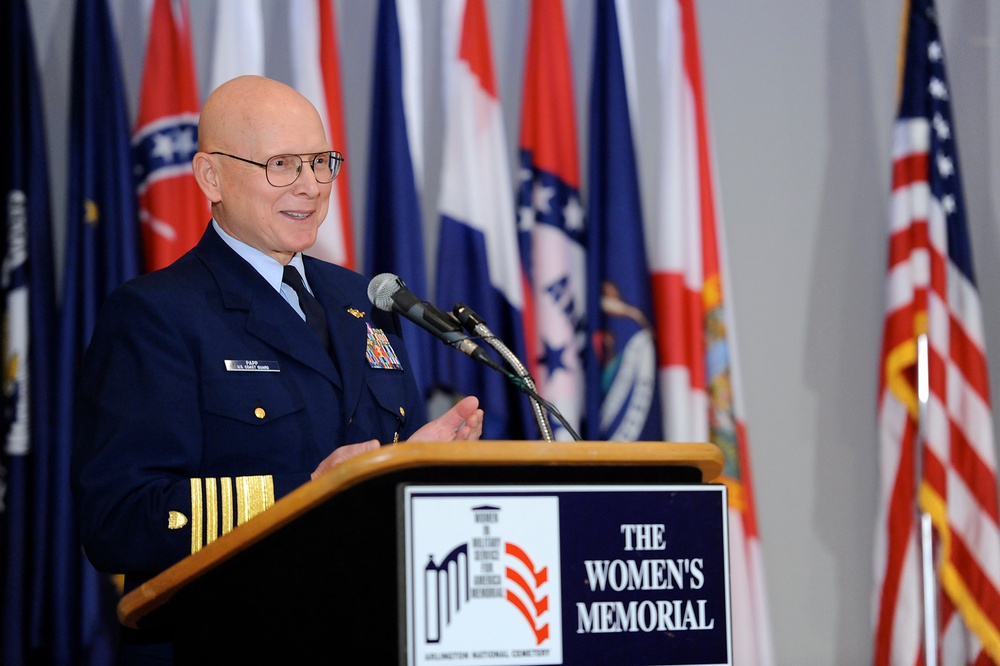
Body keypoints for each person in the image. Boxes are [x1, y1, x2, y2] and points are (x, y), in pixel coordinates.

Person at [71, 75, 483, 661]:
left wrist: (417, 467)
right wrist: (311, 493)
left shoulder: (364, 298)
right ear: (211, 176)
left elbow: (375, 474)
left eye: (321, 162)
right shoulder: (157, 315)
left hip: (377, 633)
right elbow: (118, 519)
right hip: (238, 637)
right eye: (283, 164)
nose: (312, 186)